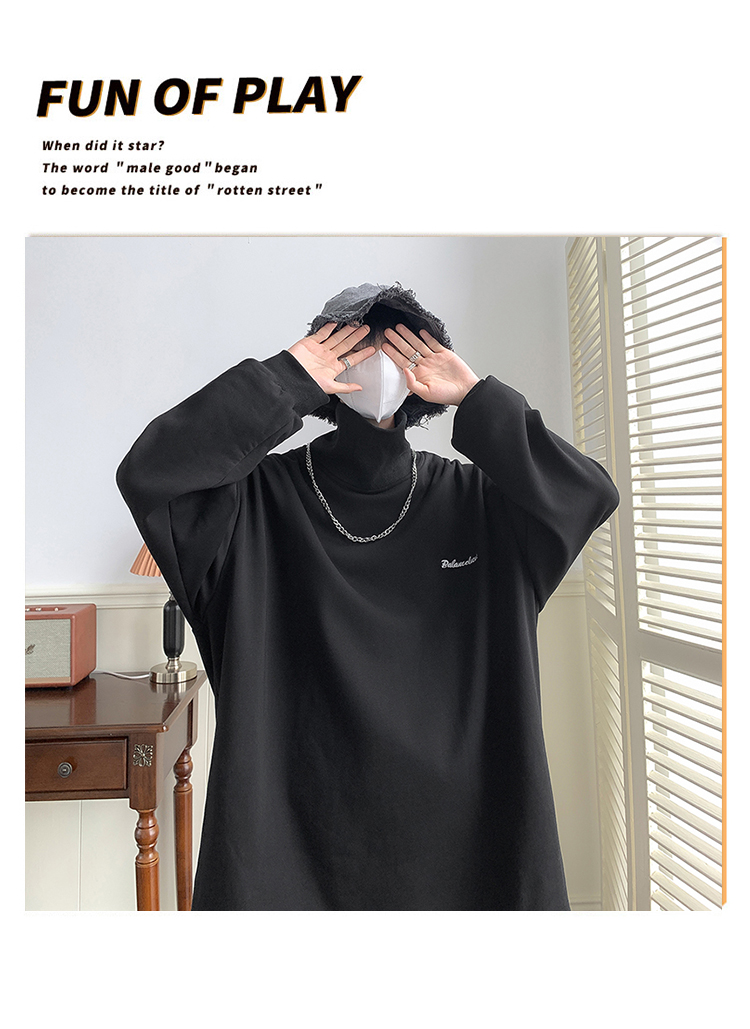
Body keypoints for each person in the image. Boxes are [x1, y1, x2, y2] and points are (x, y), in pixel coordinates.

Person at [117, 281, 619, 910]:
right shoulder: (251, 507)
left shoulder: (480, 505)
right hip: (287, 848)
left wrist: (477, 399)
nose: (380, 363)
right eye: (359, 345)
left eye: (400, 348)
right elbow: (150, 475)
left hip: (469, 843)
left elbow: (588, 496)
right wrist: (283, 382)